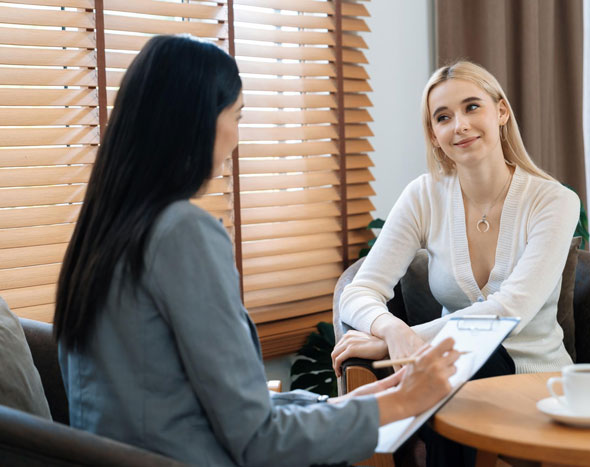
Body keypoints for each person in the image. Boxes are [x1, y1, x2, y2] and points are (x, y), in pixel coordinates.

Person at [53, 35, 460, 467]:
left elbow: (199, 408)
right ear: (196, 121)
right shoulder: (183, 234)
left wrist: (354, 404)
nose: (235, 139)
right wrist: (400, 404)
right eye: (237, 116)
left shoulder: (101, 233)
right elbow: (259, 441)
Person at [332, 60, 579, 466]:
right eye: (443, 117)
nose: (459, 125)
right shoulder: (424, 196)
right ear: (434, 135)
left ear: (501, 112)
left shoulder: (553, 201)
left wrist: (412, 340)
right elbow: (360, 290)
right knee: (454, 370)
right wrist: (394, 333)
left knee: (459, 366)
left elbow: (509, 310)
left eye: (472, 108)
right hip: (447, 372)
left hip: (536, 383)